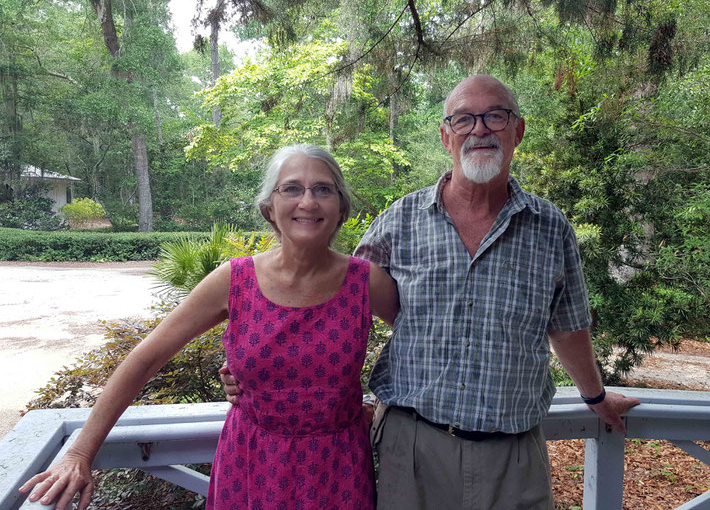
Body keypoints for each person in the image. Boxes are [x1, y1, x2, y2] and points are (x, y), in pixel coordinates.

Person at [218, 75, 642, 509]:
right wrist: (259, 368)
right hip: (412, 453)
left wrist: (595, 395)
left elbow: (568, 326)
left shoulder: (550, 227)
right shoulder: (400, 221)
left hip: (514, 457)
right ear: (445, 136)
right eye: (463, 119)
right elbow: (328, 299)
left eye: (495, 116)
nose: (479, 129)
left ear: (518, 131)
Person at [18, 144, 398, 510]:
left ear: (341, 208)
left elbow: (421, 345)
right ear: (269, 207)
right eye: (292, 188)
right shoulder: (235, 280)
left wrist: (380, 404)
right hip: (251, 463)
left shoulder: (366, 281)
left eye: (323, 190)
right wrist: (81, 452)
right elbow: (145, 359)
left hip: (338, 468)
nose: (308, 201)